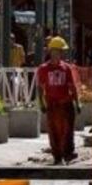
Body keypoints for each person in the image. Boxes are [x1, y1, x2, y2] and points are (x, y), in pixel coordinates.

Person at [37, 36, 79, 164]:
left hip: (65, 105)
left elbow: (72, 87)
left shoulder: (66, 68)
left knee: (68, 131)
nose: (59, 54)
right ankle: (57, 156)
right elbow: (40, 87)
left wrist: (77, 103)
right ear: (51, 52)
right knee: (54, 131)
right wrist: (42, 103)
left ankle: (67, 153)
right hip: (52, 106)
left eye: (61, 52)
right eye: (58, 51)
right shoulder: (43, 69)